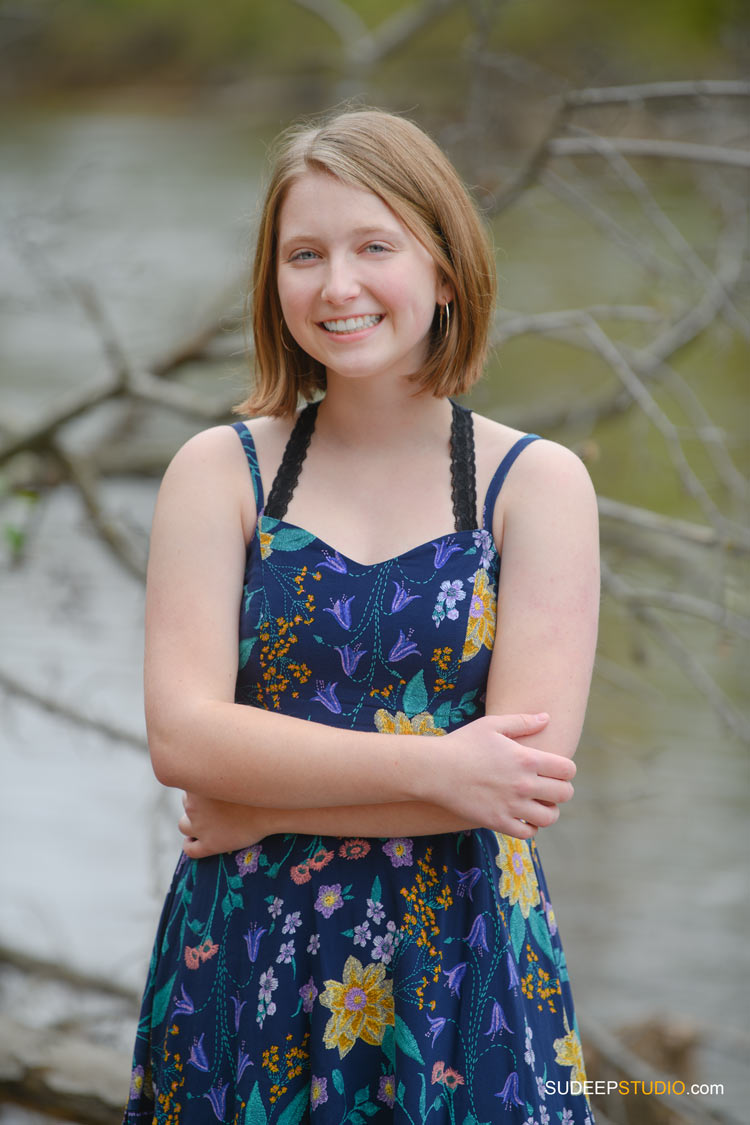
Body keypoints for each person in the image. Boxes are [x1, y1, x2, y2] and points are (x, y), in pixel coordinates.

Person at [123, 108, 599, 1125]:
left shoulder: (535, 484)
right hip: (245, 954)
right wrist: (435, 766)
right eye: (305, 254)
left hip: (463, 964)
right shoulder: (223, 472)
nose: (336, 286)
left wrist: (263, 804)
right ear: (273, 282)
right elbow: (183, 735)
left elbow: (516, 786)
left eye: (372, 246)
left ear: (444, 268)